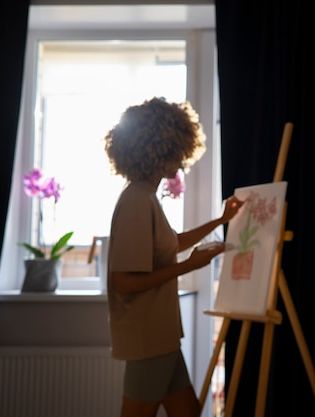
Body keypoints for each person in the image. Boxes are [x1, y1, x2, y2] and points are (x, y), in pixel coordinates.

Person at [103, 97, 244, 417]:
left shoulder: (146, 197)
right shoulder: (137, 200)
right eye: (176, 150)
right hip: (147, 338)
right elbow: (124, 282)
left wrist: (220, 221)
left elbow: (169, 244)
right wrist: (189, 266)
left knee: (188, 412)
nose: (182, 160)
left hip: (162, 335)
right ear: (158, 150)